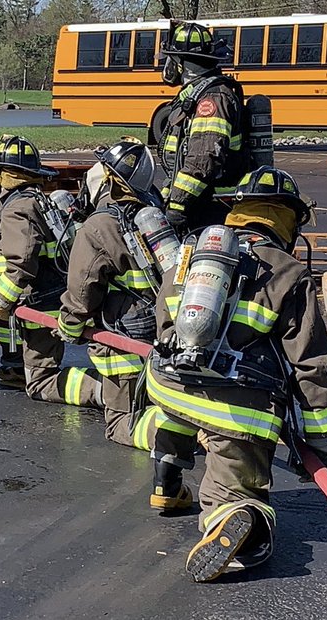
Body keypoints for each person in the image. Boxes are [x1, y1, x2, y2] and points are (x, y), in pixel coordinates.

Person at [144, 166, 327, 582]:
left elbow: (162, 321)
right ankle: (231, 513)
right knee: (238, 480)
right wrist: (320, 443)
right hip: (236, 405)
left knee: (179, 415)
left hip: (167, 384)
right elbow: (310, 362)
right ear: (287, 219)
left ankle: (167, 483)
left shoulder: (192, 252)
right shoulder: (288, 271)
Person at [57, 140, 197, 511]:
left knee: (120, 422)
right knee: (153, 396)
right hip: (162, 334)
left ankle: (172, 433)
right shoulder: (153, 216)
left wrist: (69, 325)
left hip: (124, 340)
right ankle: (176, 417)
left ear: (109, 180)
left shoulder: (99, 226)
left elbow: (83, 288)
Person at [0, 136, 104, 409]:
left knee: (40, 382)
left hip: (40, 311)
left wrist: (1, 301)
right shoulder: (37, 200)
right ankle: (14, 365)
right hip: (53, 299)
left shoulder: (16, 209)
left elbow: (20, 263)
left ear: (5, 176)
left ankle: (108, 391)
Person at [157, 21, 250, 232]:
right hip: (198, 203)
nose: (167, 66)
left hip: (212, 207)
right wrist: (163, 197)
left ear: (183, 63)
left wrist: (177, 205)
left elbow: (203, 158)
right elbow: (180, 161)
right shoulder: (195, 94)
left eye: (171, 58)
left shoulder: (212, 98)